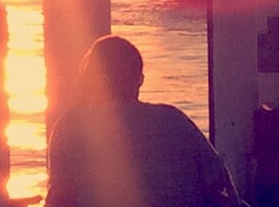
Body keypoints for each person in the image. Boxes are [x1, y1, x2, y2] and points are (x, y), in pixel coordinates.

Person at [46, 35, 244, 207]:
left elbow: (59, 198)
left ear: (90, 79)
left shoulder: (69, 127)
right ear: (139, 79)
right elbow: (221, 183)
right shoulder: (174, 120)